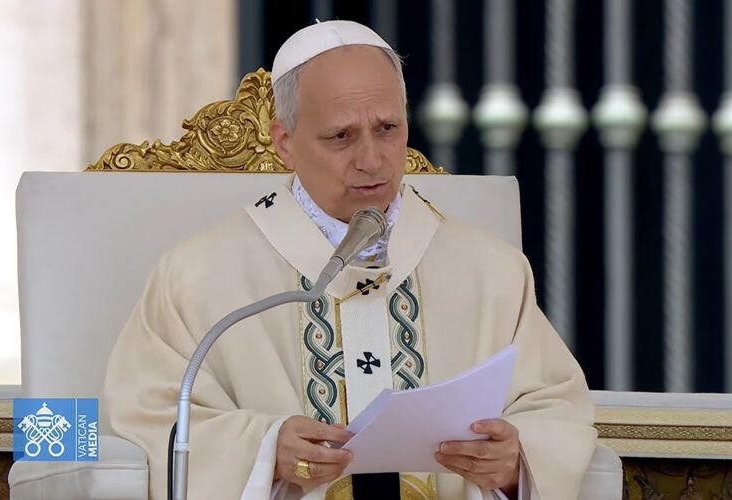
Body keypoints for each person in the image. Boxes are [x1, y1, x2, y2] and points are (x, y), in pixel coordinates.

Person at [104, 20, 596, 500]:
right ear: (285, 142)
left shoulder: (492, 271)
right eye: (341, 136)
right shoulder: (197, 275)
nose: (372, 160)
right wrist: (264, 449)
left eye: (387, 129)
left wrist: (515, 460)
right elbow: (148, 417)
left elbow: (556, 410)